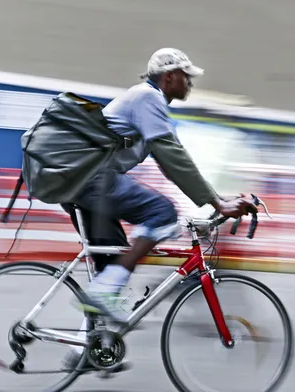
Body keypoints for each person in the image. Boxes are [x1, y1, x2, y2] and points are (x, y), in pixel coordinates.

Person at [60, 47, 257, 372]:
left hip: (85, 184)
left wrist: (213, 201)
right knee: (161, 214)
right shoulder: (148, 98)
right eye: (186, 76)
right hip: (92, 182)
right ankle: (101, 297)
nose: (190, 82)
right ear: (169, 78)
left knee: (112, 271)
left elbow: (171, 163)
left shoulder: (148, 104)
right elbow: (172, 156)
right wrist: (217, 202)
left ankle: (83, 353)